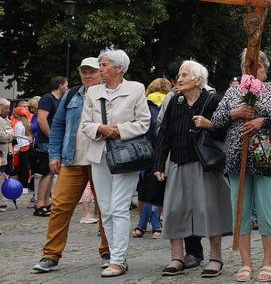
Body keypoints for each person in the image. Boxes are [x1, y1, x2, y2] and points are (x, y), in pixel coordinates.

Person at [211, 50, 271, 283]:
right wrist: (235, 113)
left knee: (266, 211)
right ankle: (245, 263)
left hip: (265, 156)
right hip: (237, 157)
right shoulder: (234, 91)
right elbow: (216, 121)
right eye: (247, 65)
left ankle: (268, 262)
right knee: (240, 212)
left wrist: (262, 121)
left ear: (265, 68)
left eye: (256, 65)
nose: (251, 69)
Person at [154, 60, 232, 277]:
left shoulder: (212, 100)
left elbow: (226, 130)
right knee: (174, 210)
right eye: (179, 75)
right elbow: (164, 134)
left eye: (184, 75)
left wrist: (211, 125)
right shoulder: (175, 101)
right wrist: (160, 163)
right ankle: (177, 258)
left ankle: (215, 258)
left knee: (209, 210)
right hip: (178, 161)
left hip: (204, 164)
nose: (179, 79)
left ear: (198, 80)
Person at [32, 57, 110, 273]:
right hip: (72, 160)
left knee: (105, 208)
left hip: (100, 159)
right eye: (84, 71)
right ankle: (50, 255)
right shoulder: (71, 94)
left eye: (92, 71)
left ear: (100, 73)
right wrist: (54, 154)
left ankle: (109, 252)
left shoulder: (109, 93)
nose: (87, 75)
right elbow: (57, 126)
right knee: (59, 207)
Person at [80, 48, 151, 277]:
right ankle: (114, 255)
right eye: (100, 64)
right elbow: (85, 124)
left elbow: (144, 123)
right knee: (107, 210)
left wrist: (118, 130)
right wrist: (101, 129)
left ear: (119, 68)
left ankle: (118, 260)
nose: (100, 69)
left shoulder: (136, 88)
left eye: (104, 64)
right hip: (99, 154)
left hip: (125, 155)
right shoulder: (93, 92)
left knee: (120, 207)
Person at [133, 77, 171, 240]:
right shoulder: (170, 103)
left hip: (143, 153)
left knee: (146, 192)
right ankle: (154, 226)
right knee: (156, 191)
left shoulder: (143, 105)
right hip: (163, 153)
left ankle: (143, 226)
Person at [34, 76, 68, 216]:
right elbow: (41, 120)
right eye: (66, 84)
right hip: (46, 141)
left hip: (52, 141)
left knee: (51, 173)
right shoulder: (48, 98)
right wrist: (53, 138)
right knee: (46, 173)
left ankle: (47, 201)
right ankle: (40, 203)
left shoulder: (59, 100)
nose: (67, 87)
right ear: (60, 85)